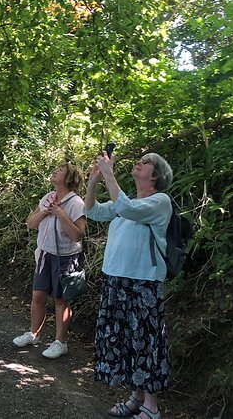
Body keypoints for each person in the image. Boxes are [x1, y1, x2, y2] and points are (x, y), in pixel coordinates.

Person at [84, 151, 173, 419]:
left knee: (145, 340)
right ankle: (136, 397)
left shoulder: (160, 201)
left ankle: (152, 406)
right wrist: (93, 182)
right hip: (116, 277)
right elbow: (92, 211)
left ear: (155, 175)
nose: (140, 162)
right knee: (125, 339)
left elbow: (126, 210)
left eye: (147, 162)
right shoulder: (128, 199)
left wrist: (110, 174)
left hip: (143, 280)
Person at [13, 162, 86, 359]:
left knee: (61, 300)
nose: (55, 171)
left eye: (60, 170)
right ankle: (33, 334)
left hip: (66, 258)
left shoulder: (76, 203)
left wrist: (60, 213)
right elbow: (30, 223)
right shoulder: (47, 197)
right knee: (38, 296)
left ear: (70, 177)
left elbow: (78, 235)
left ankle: (60, 342)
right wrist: (46, 210)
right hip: (45, 255)